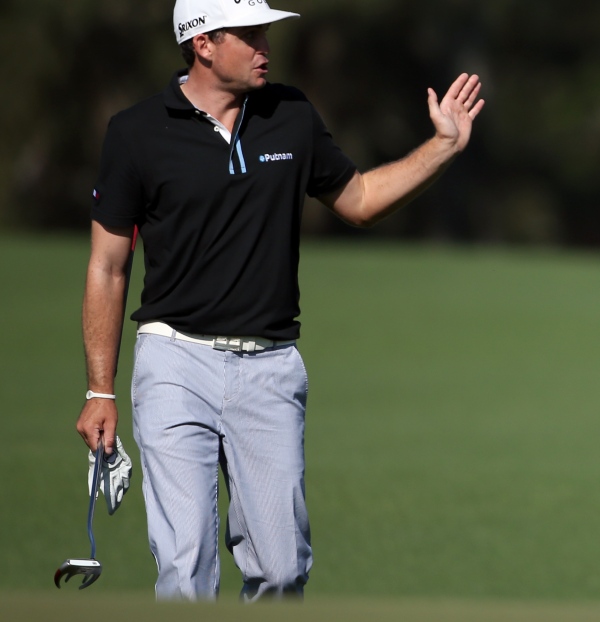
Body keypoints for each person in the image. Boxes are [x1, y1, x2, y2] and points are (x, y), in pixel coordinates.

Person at [75, 0, 483, 600]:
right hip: (174, 362)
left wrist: (443, 147)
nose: (266, 44)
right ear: (204, 43)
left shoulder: (290, 114)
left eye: (267, 30)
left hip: (269, 368)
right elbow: (108, 267)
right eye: (250, 33)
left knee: (283, 570)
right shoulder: (136, 132)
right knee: (184, 570)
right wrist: (99, 389)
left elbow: (362, 198)